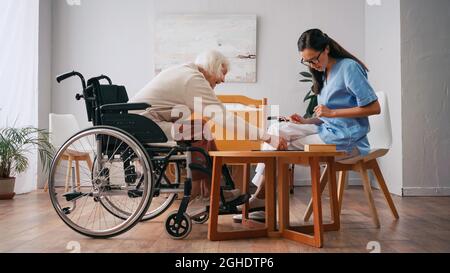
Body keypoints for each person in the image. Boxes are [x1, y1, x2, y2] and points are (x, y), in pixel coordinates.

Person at [234, 29, 381, 222]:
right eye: (307, 61)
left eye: (314, 59)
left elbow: (374, 107)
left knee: (279, 143)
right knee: (276, 131)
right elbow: (325, 118)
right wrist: (305, 121)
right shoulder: (323, 72)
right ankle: (261, 198)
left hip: (347, 139)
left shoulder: (349, 68)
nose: (312, 64)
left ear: (326, 49)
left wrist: (332, 113)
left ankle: (261, 199)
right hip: (326, 131)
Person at [130, 50, 287, 203]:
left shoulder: (184, 71)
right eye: (222, 73)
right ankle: (200, 192)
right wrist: (267, 137)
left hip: (141, 122)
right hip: (144, 125)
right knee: (199, 129)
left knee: (199, 127)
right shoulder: (192, 79)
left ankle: (213, 190)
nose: (224, 80)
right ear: (212, 68)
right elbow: (225, 118)